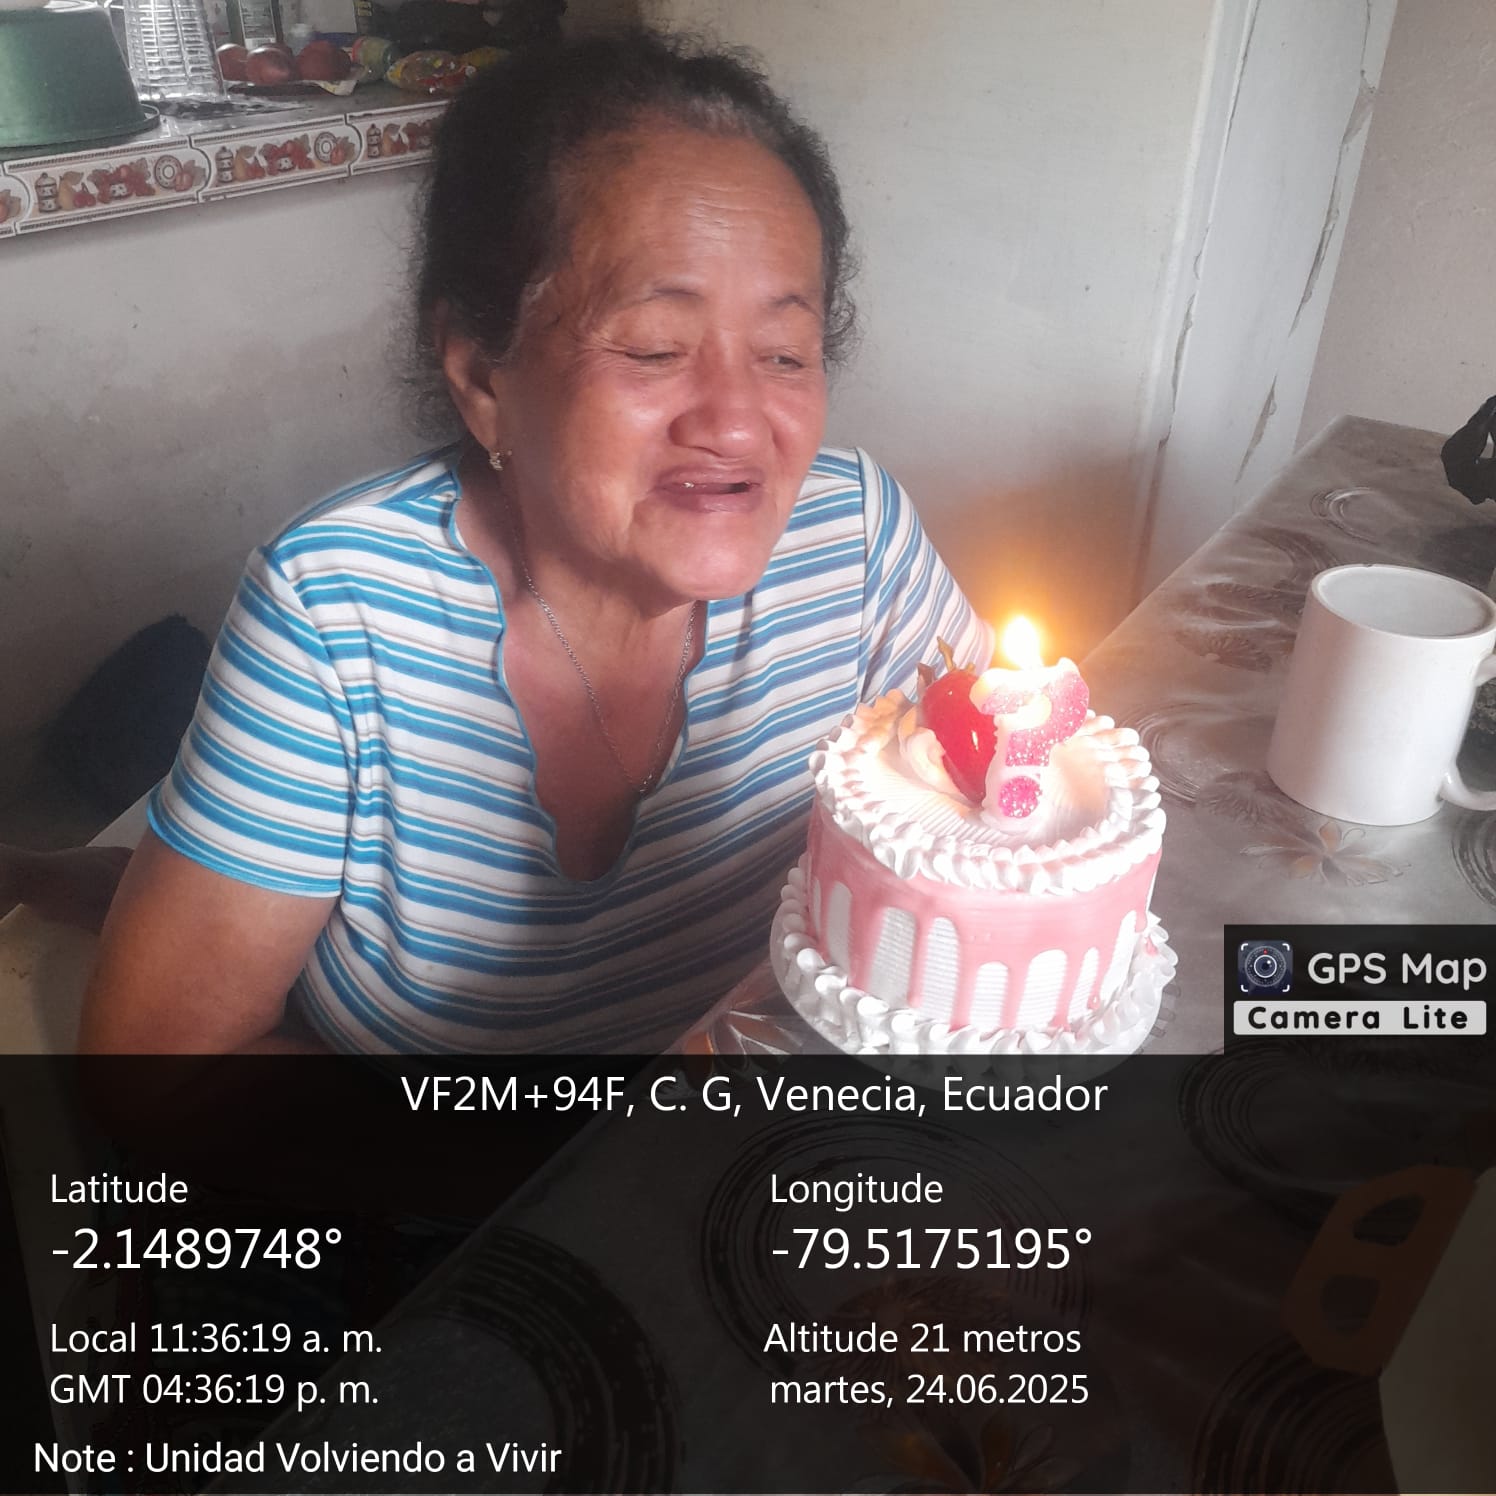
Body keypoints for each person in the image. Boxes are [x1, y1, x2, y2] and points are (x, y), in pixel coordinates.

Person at [76, 30, 986, 1056]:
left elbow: (1010, 824)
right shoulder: (336, 615)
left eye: (784, 353)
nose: (738, 424)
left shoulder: (856, 542)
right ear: (482, 379)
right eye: (654, 348)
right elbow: (159, 1073)